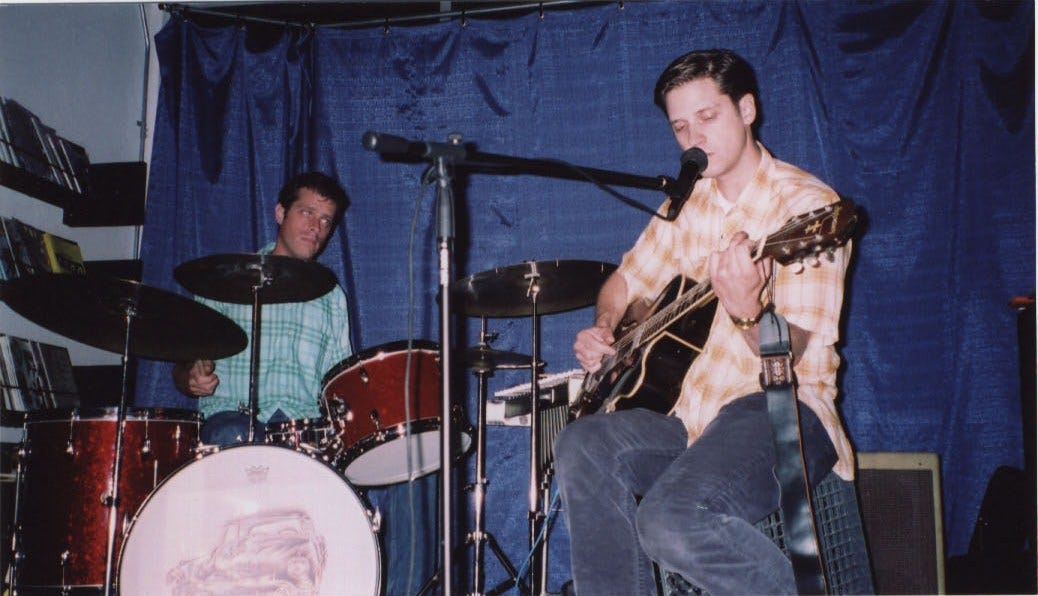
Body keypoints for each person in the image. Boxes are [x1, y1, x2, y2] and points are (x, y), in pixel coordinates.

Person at [553, 49, 855, 595]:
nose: (694, 137)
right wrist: (605, 327)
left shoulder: (808, 208)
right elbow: (624, 281)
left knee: (669, 519)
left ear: (746, 109)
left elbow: (797, 356)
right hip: (691, 417)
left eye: (707, 117)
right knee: (581, 444)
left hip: (781, 409)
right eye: (681, 126)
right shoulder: (687, 206)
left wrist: (748, 312)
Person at [172, 171, 353, 445]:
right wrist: (191, 378)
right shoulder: (224, 281)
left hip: (302, 431)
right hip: (231, 422)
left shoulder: (332, 296)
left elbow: (339, 385)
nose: (317, 227)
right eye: (307, 212)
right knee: (233, 432)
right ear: (280, 213)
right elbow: (183, 369)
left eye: (326, 220)